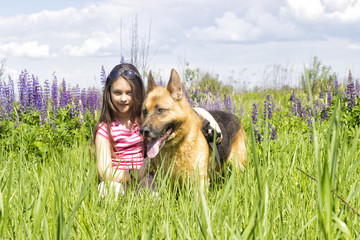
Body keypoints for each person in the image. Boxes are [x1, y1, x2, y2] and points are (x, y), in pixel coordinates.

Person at [93, 63, 148, 198]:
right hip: (117, 181)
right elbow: (104, 173)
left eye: (129, 93)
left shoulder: (144, 123)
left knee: (154, 190)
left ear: (139, 93)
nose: (124, 98)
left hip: (145, 179)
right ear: (109, 93)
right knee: (105, 190)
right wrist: (134, 174)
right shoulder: (105, 128)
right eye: (117, 92)